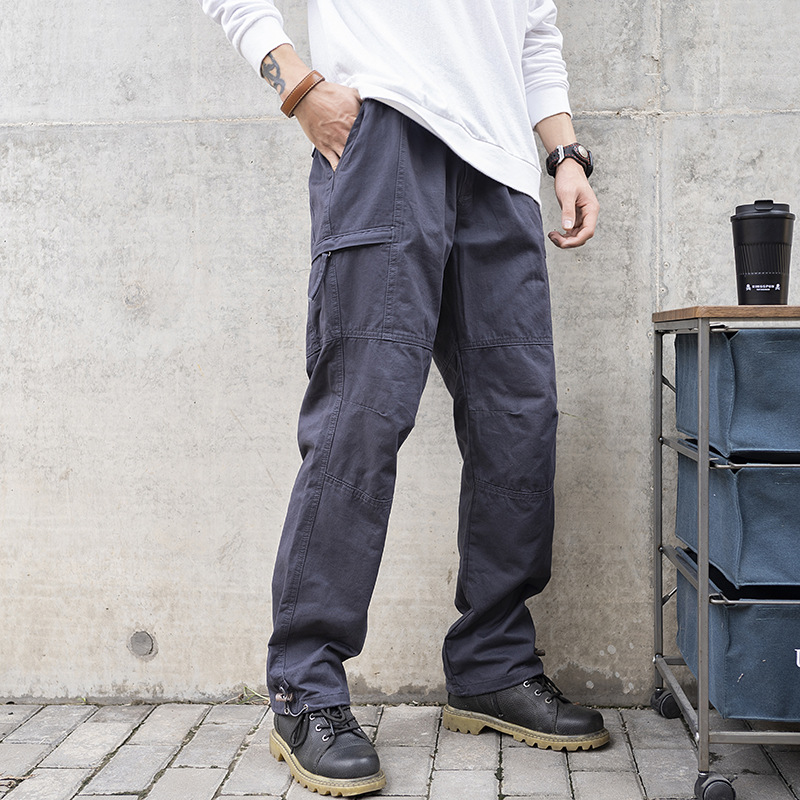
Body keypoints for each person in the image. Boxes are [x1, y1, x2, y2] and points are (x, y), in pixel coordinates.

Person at [201, 0, 607, 795]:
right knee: (363, 414)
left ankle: (492, 664)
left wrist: (564, 153)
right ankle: (304, 687)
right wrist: (299, 88)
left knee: (520, 422)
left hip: (501, 168)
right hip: (386, 133)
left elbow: (533, 30)